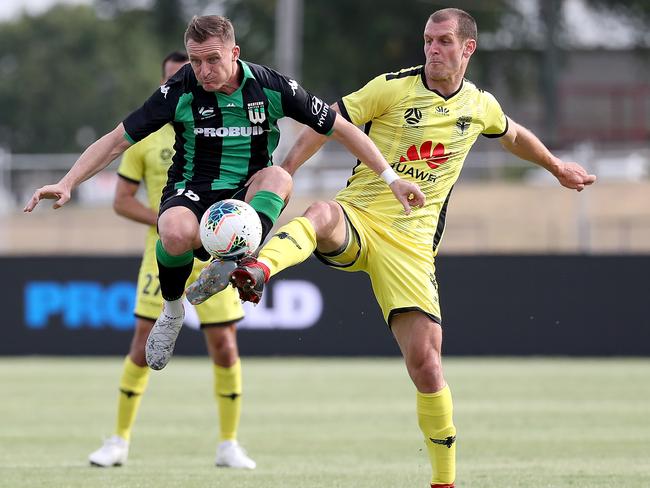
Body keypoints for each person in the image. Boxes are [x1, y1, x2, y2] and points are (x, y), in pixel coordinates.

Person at [208, 8, 597, 488]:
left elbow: (512, 135)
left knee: (427, 366)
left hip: (411, 247)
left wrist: (556, 166)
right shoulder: (390, 88)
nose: (433, 49)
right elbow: (325, 121)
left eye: (444, 42)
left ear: (467, 48)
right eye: (428, 40)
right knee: (319, 213)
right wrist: (285, 171)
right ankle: (258, 269)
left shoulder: (479, 105)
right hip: (360, 217)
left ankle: (444, 482)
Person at [23, 15, 425, 373]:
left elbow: (340, 127)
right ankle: (173, 309)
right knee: (175, 234)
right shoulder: (179, 89)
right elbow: (116, 140)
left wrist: (392, 179)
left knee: (280, 177)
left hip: (245, 193)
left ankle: (235, 258)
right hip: (191, 189)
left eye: (212, 59)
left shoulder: (271, 85)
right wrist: (68, 181)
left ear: (235, 52)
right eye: (195, 61)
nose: (203, 70)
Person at [87, 51, 255, 469]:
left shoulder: (219, 126)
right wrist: (169, 225)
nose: (185, 81)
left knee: (224, 345)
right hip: (163, 251)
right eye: (174, 77)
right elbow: (122, 201)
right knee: (143, 344)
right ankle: (119, 439)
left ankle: (229, 443)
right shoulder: (146, 137)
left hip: (216, 251)